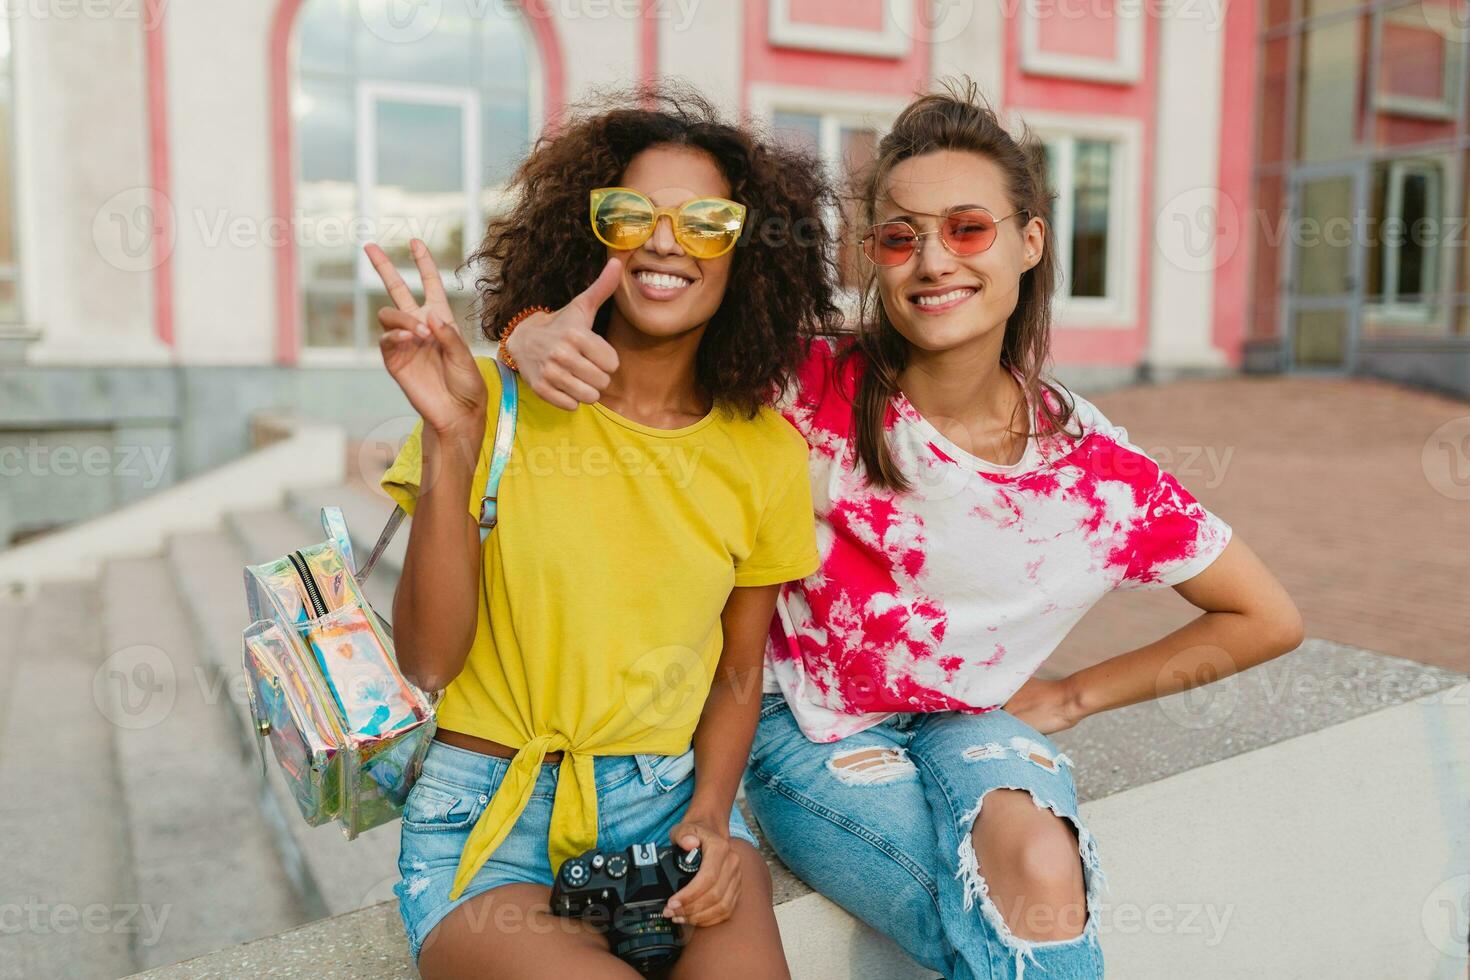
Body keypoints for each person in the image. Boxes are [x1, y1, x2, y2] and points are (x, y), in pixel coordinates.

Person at [505, 78, 1303, 980]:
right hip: (800, 728)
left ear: (1030, 241)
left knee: (1043, 866)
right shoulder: (801, 382)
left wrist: (1074, 696)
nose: (934, 262)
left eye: (968, 229)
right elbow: (646, 324)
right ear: (873, 258)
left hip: (963, 722)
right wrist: (522, 333)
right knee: (988, 915)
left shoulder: (1097, 479)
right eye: (900, 237)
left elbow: (1266, 616)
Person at [370, 89, 841, 979]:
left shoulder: (765, 454)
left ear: (745, 252)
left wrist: (710, 813)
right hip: (488, 821)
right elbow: (428, 665)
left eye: (705, 222)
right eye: (632, 216)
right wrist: (451, 441)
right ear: (593, 235)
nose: (665, 242)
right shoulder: (484, 398)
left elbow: (740, 667)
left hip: (669, 809)